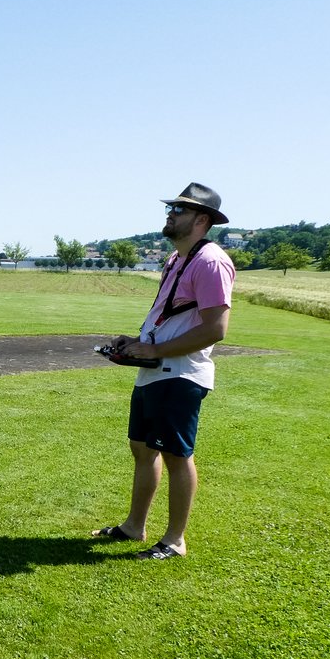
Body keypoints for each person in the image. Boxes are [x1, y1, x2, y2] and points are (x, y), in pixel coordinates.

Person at [92, 183, 236, 560]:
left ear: (201, 220)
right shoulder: (176, 260)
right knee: (141, 449)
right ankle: (134, 527)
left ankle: (174, 540)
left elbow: (215, 329)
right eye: (171, 208)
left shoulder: (210, 261)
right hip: (156, 371)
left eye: (179, 210)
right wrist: (135, 342)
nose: (170, 214)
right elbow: (170, 316)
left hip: (181, 374)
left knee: (175, 455)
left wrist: (154, 348)